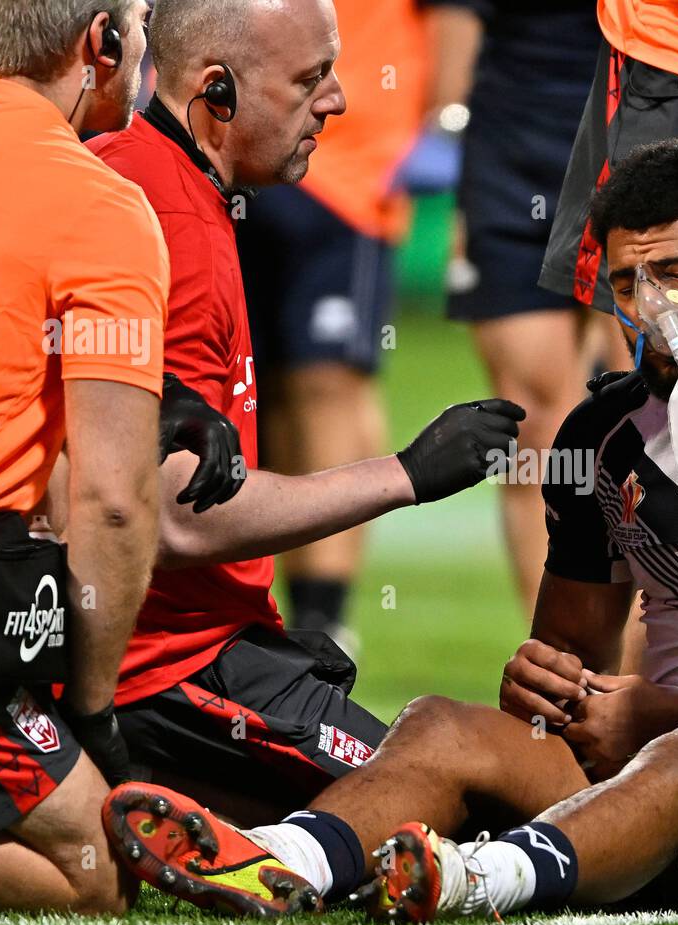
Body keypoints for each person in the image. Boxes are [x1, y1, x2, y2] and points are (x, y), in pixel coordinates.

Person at [95, 141, 678, 919]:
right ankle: (278, 862)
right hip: (647, 761)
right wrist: (548, 687)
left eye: (676, 271)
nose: (651, 306)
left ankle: (475, 877)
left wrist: (666, 708)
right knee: (439, 721)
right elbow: (569, 650)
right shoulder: (601, 434)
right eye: (626, 282)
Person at [85, 0, 524, 827]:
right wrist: (407, 474)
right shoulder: (173, 224)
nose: (340, 101)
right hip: (172, 673)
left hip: (149, 652)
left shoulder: (137, 172)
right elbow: (179, 523)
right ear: (217, 91)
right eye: (310, 79)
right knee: (462, 795)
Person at [0, 0, 166, 913]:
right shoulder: (101, 206)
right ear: (103, 41)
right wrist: (91, 711)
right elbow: (116, 502)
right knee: (100, 878)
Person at [236, 0, 429, 647]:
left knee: (328, 380)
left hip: (348, 155)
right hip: (225, 138)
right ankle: (237, 603)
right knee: (235, 384)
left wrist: (445, 123)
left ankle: (321, 621)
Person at [432, 0, 608, 614]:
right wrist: (447, 142)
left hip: (640, 147)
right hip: (511, 161)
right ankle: (557, 649)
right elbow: (456, 20)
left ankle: (651, 662)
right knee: (531, 424)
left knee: (653, 412)